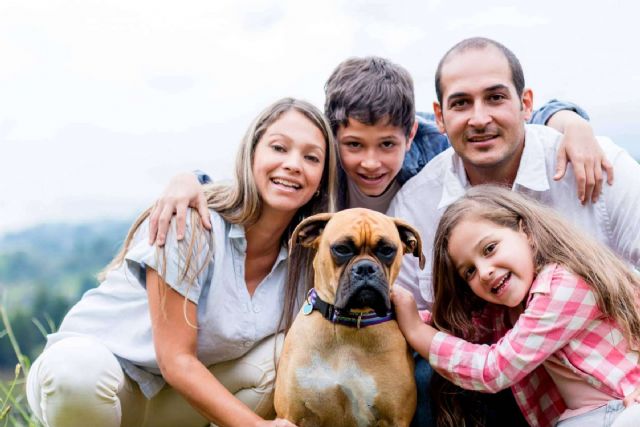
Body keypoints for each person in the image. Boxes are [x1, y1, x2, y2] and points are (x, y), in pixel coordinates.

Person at [147, 56, 610, 427]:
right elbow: (256, 181)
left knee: (430, 375)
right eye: (353, 145)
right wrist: (192, 181)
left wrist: (569, 120)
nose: (371, 162)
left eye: (387, 144)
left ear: (411, 133)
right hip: (327, 327)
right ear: (332, 138)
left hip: (419, 332)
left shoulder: (430, 154)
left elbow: (493, 117)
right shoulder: (311, 172)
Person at [25, 98, 338, 427]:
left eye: (311, 157)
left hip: (168, 403)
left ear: (321, 178)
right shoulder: (190, 222)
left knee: (286, 355)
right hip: (99, 382)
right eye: (279, 148)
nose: (293, 164)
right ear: (252, 154)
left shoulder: (310, 259)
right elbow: (175, 359)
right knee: (77, 374)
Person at [387, 36, 640, 426]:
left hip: (612, 394)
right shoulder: (415, 204)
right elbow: (414, 313)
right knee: (425, 372)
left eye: (495, 97)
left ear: (525, 105)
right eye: (460, 103)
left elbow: (493, 367)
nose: (479, 118)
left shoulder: (594, 166)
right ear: (439, 117)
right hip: (526, 396)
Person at [391, 185, 640, 427]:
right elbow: (460, 332)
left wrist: (415, 330)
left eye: (489, 249)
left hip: (618, 410)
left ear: (526, 232)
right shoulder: (510, 309)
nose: (485, 271)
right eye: (469, 271)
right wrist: (395, 315)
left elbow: (493, 370)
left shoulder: (563, 285)